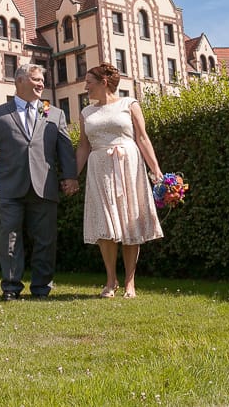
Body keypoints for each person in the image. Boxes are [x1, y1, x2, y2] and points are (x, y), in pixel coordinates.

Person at [0, 63, 79, 300]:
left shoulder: (55, 114)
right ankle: (11, 288)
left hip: (44, 186)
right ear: (20, 81)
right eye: (35, 79)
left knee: (45, 239)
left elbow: (65, 149)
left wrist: (70, 176)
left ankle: (42, 288)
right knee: (9, 238)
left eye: (42, 80)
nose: (41, 84)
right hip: (9, 187)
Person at [76, 63, 164, 298]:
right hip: (99, 168)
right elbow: (83, 147)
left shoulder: (129, 104)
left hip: (128, 165)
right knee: (105, 223)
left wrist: (156, 170)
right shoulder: (86, 113)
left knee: (129, 222)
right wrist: (72, 175)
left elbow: (143, 138)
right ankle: (110, 280)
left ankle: (130, 282)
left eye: (89, 82)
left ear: (104, 82)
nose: (85, 87)